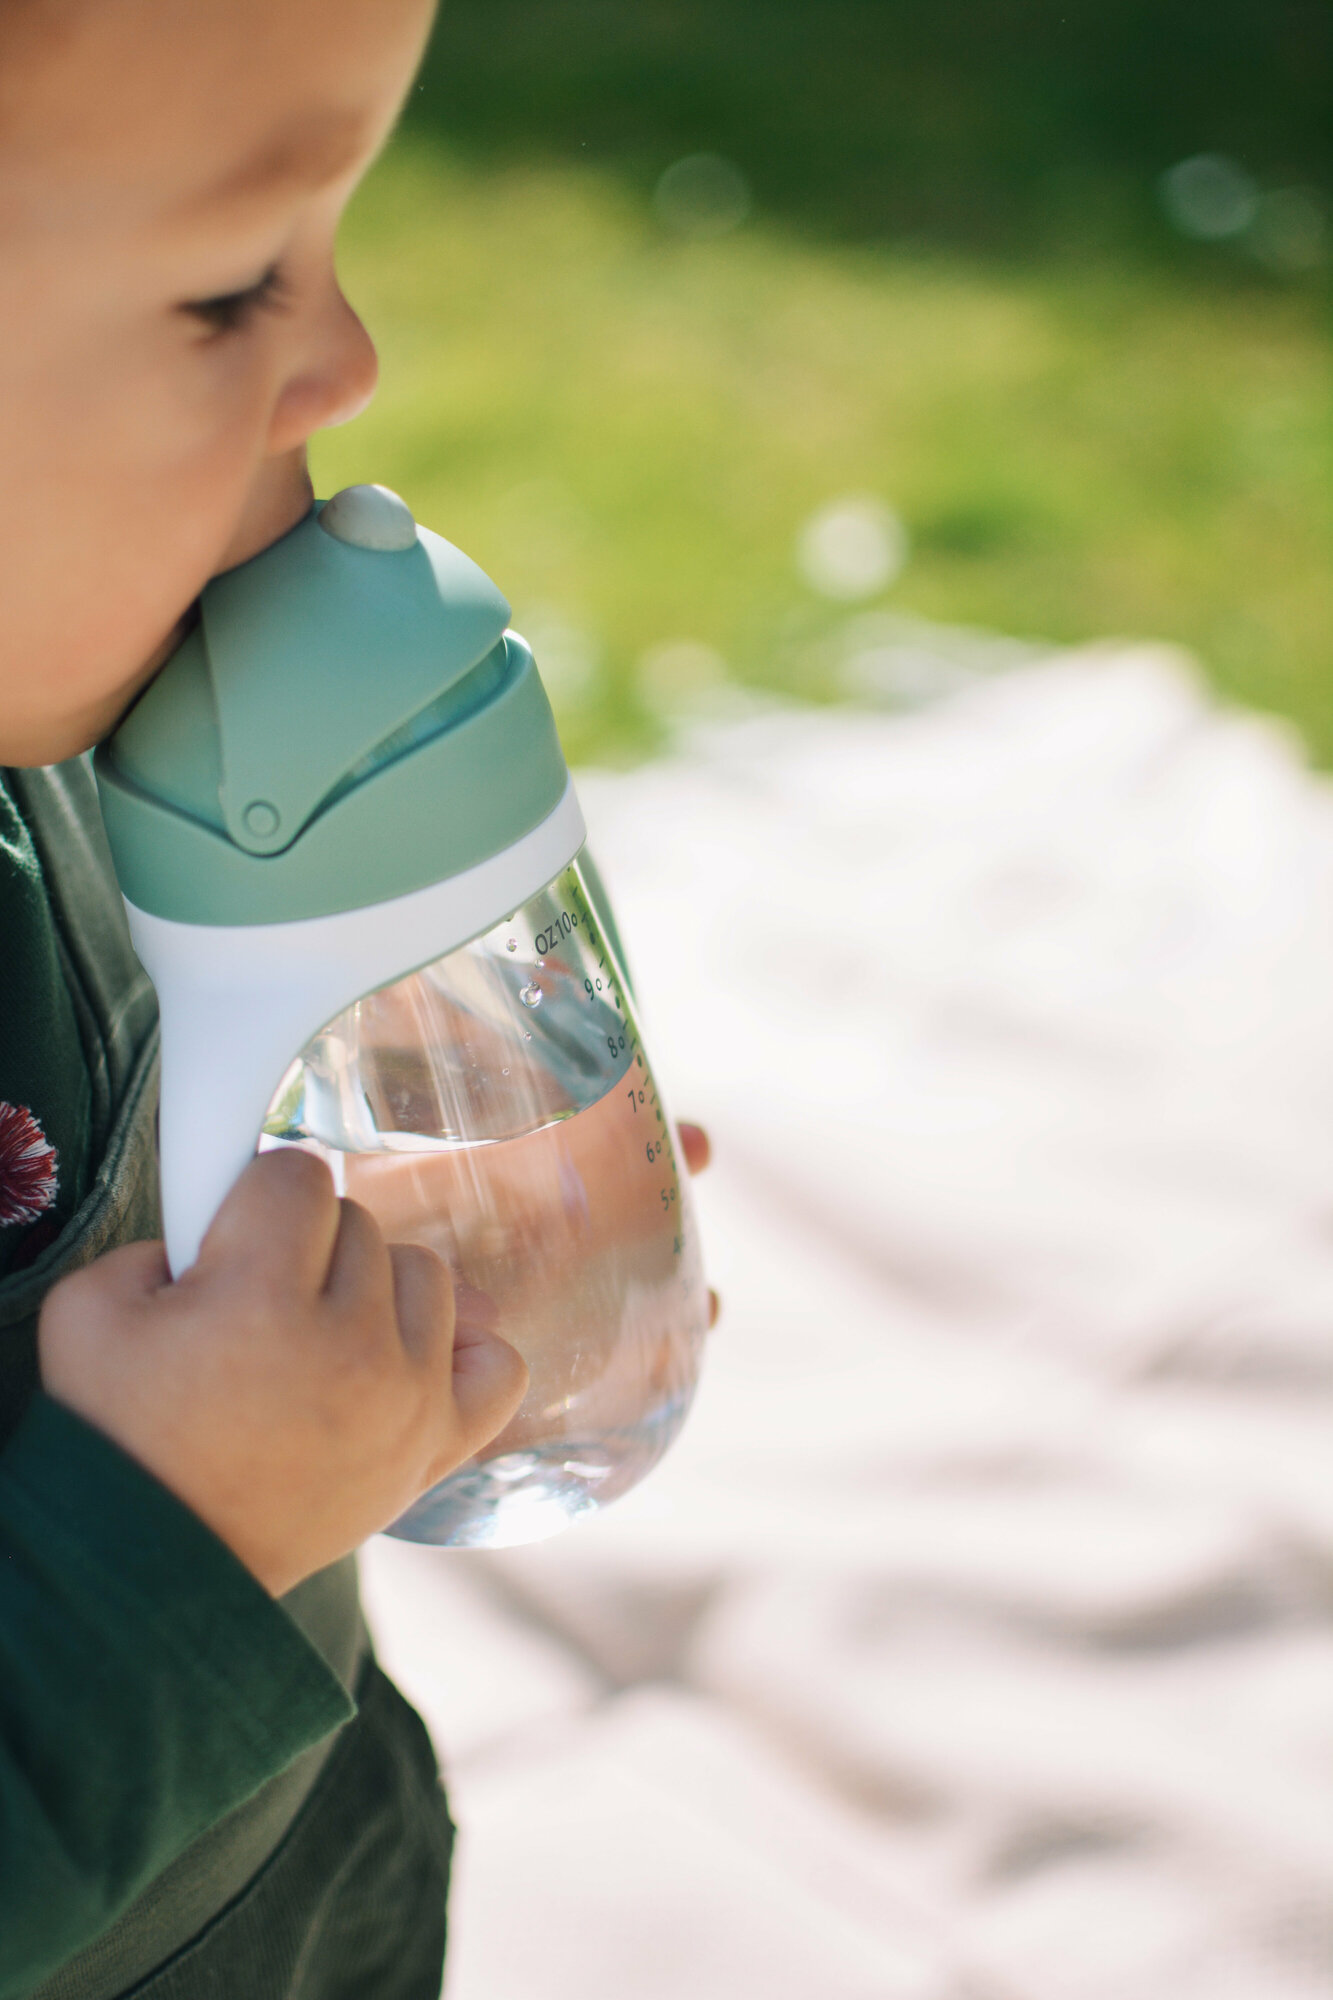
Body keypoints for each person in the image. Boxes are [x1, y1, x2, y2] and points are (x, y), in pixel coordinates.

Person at [0, 3, 712, 1995]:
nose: (349, 361)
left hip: (302, 1891)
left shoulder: (49, 704)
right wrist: (179, 1529)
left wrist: (426, 1146)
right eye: (235, 287)